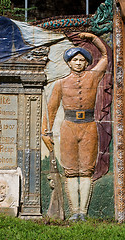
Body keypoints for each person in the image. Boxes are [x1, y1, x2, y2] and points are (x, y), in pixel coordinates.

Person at [42, 32, 108, 221]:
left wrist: (93, 39)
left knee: (86, 170)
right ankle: (74, 211)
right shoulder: (61, 84)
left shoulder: (94, 77)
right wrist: (46, 131)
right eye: (74, 60)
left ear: (87, 63)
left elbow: (105, 57)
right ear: (69, 63)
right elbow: (51, 108)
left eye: (81, 60)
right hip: (69, 127)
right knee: (71, 171)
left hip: (88, 126)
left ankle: (83, 212)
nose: (78, 63)